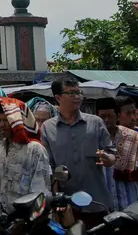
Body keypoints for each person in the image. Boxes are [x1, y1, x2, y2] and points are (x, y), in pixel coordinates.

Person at [40, 80, 115, 229]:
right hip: (68, 206)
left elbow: (112, 154)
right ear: (58, 98)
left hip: (96, 202)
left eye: (79, 92)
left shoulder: (96, 123)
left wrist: (107, 159)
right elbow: (51, 168)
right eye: (72, 93)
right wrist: (57, 202)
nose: (78, 97)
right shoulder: (48, 128)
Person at [0, 98, 51, 214]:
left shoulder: (35, 150)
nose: (2, 125)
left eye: (6, 120)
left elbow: (40, 193)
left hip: (25, 223)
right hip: (1, 221)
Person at [95, 98, 138, 212]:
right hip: (106, 207)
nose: (106, 120)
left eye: (110, 116)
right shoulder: (93, 139)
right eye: (102, 116)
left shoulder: (133, 137)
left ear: (118, 116)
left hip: (132, 204)